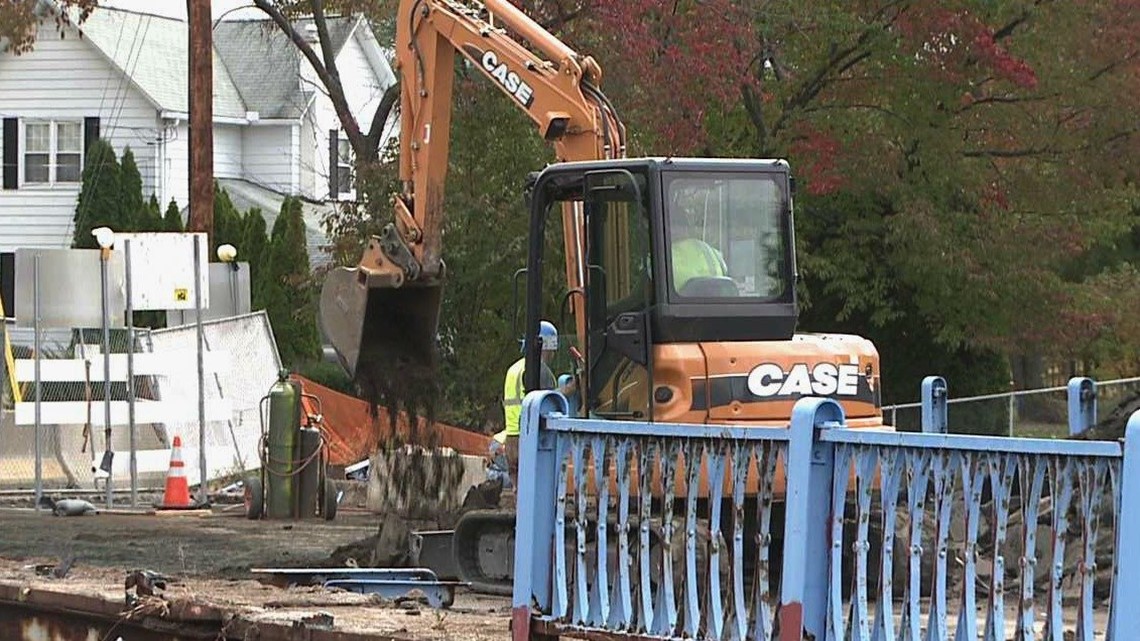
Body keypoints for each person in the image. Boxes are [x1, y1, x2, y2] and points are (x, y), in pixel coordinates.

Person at [501, 320, 575, 482]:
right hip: (529, 440)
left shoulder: (514, 368)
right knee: (536, 491)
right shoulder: (538, 370)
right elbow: (546, 402)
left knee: (519, 492)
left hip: (512, 440)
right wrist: (569, 389)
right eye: (552, 349)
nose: (553, 354)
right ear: (545, 346)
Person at [670, 213, 728, 294]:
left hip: (684, 305)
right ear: (687, 229)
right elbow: (725, 273)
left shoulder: (664, 255)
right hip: (716, 304)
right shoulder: (712, 252)